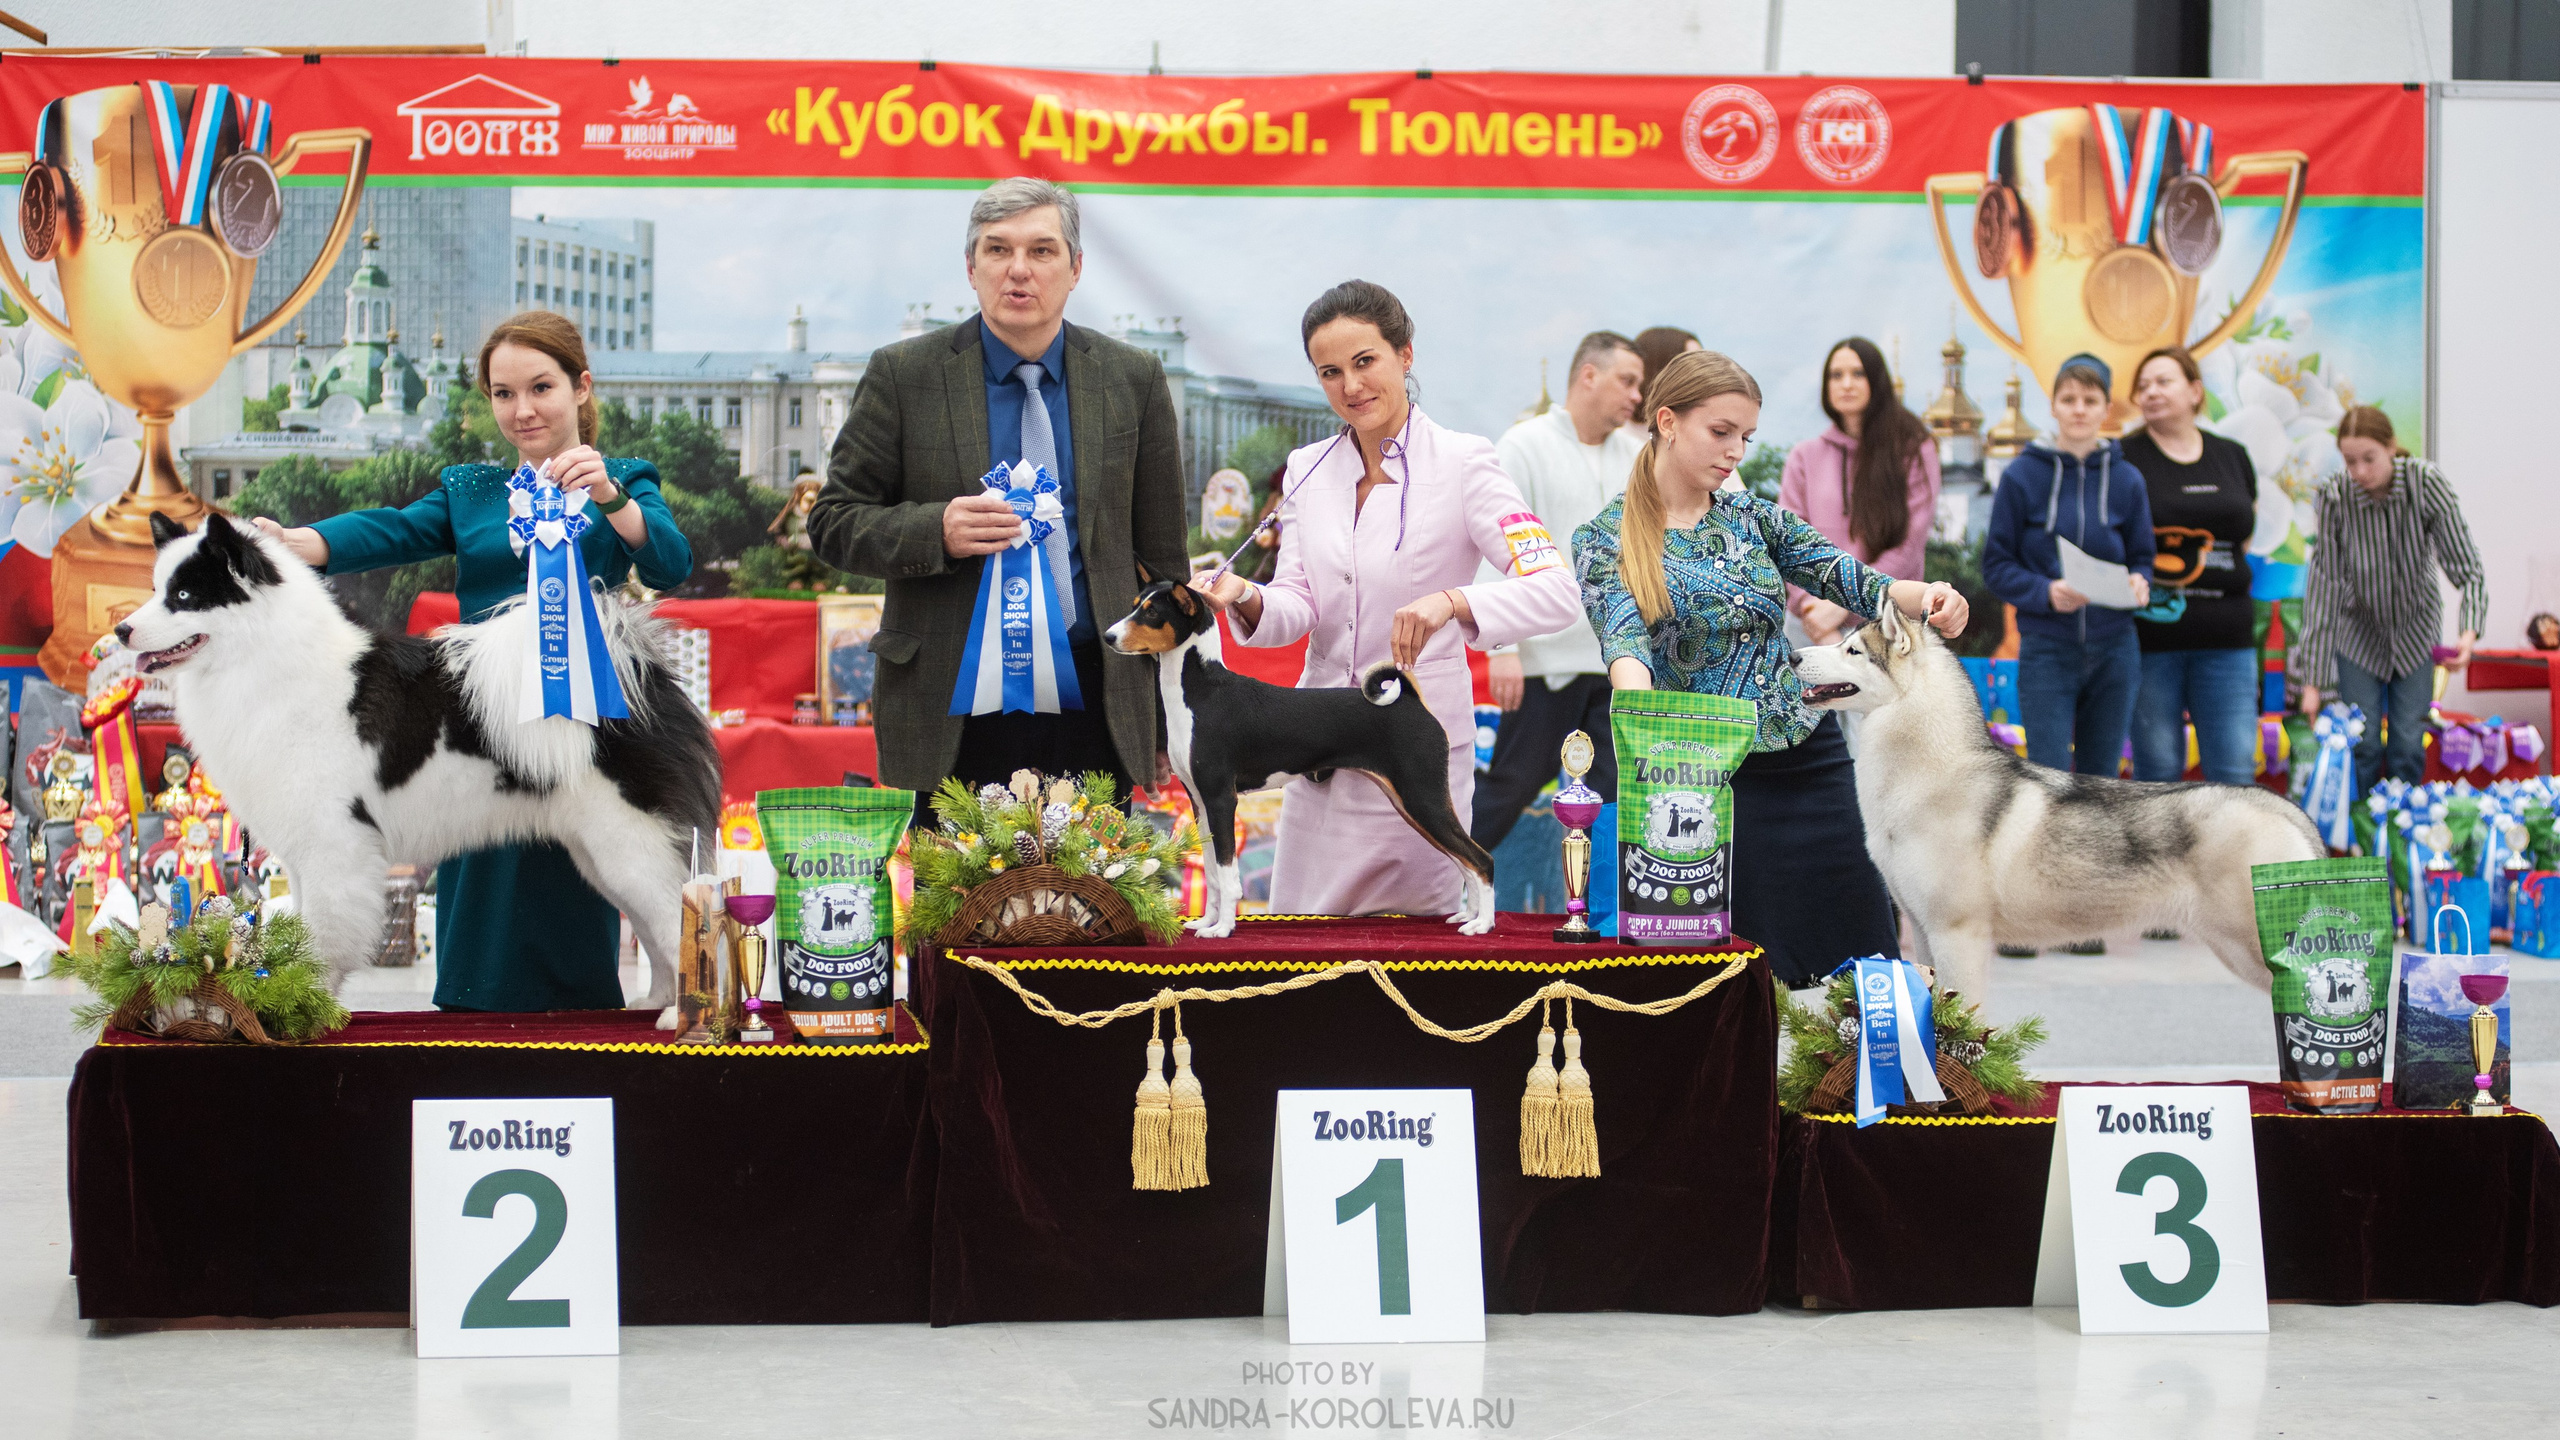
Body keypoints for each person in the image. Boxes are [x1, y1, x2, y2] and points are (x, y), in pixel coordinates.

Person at [256, 312, 693, 1012]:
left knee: (604, 862)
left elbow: (670, 561)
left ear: (582, 387)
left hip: (585, 725)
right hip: (478, 728)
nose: (521, 411)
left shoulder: (624, 479)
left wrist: (611, 498)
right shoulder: (473, 491)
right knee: (484, 872)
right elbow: (392, 529)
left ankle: (617, 999)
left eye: (541, 387)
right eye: (502, 393)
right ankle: (475, 1004)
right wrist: (295, 540)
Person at [1574, 349, 1968, 987]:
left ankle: (1874, 1084)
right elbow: (1624, 646)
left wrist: (1928, 598)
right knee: (1736, 974)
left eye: (1746, 437)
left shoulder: (1754, 518)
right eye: (1720, 432)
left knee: (1864, 944)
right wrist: (1644, 721)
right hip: (1703, 776)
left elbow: (1848, 578)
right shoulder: (1602, 539)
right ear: (1667, 421)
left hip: (1810, 759)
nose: (1735, 451)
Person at [1193, 280, 1581, 919]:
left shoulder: (1467, 463)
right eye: (1330, 372)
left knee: (1405, 970)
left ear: (1405, 354)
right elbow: (1296, 603)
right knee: (1303, 957)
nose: (1351, 386)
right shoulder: (1306, 469)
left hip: (1411, 753)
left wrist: (1452, 602)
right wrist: (1246, 597)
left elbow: (1557, 591)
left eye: (1365, 361)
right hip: (1314, 750)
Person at [806, 178, 1188, 803]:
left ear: (1075, 269)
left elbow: (1164, 556)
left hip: (1099, 697)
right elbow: (834, 521)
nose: (1019, 271)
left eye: (1042, 251)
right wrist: (937, 531)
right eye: (996, 250)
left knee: (1090, 903)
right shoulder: (904, 375)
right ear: (970, 267)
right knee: (957, 903)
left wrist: (1166, 713)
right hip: (951, 706)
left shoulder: (1133, 379)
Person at [1470, 330, 1647, 851]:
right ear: (1588, 376)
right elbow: (1495, 542)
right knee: (1512, 784)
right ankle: (1444, 885)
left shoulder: (1639, 457)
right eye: (1628, 381)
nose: (1638, 395)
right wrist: (1503, 647)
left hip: (1620, 663)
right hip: (1544, 659)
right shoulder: (1524, 444)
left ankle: (1604, 906)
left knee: (1613, 793)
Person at [2296, 406, 2488, 789]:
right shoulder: (2335, 496)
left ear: (2391, 447)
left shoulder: (2426, 483)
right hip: (2359, 636)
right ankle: (2363, 837)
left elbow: (2467, 568)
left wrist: (2468, 634)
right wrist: (2313, 682)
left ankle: (2401, 837)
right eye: (2351, 462)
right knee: (2361, 744)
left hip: (2416, 635)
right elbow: (2324, 585)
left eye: (2370, 459)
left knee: (2407, 745)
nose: (2361, 472)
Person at [1982, 354, 2155, 778]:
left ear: (2105, 409)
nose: (2079, 409)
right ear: (2053, 406)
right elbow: (1997, 564)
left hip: (2115, 648)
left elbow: (2143, 557)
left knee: (2101, 779)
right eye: (2069, 398)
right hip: (2046, 649)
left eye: (2090, 400)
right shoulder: (2021, 476)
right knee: (2048, 776)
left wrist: (2140, 580)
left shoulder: (2128, 479)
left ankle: (2096, 849)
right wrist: (2045, 593)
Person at [2120, 347, 2261, 786]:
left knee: (2235, 772)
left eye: (2163, 381)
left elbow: (2244, 531)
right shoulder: (2122, 457)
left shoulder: (2232, 455)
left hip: (2228, 641)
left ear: (2195, 391)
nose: (2151, 392)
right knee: (2158, 775)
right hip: (2151, 644)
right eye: (2143, 386)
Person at [1780, 336, 1940, 648]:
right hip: (1811, 624)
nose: (1846, 384)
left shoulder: (1913, 450)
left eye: (1858, 373)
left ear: (1877, 380)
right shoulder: (1804, 456)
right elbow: (1788, 543)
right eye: (1836, 375)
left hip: (1887, 624)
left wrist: (1843, 606)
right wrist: (1816, 615)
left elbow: (1908, 548)